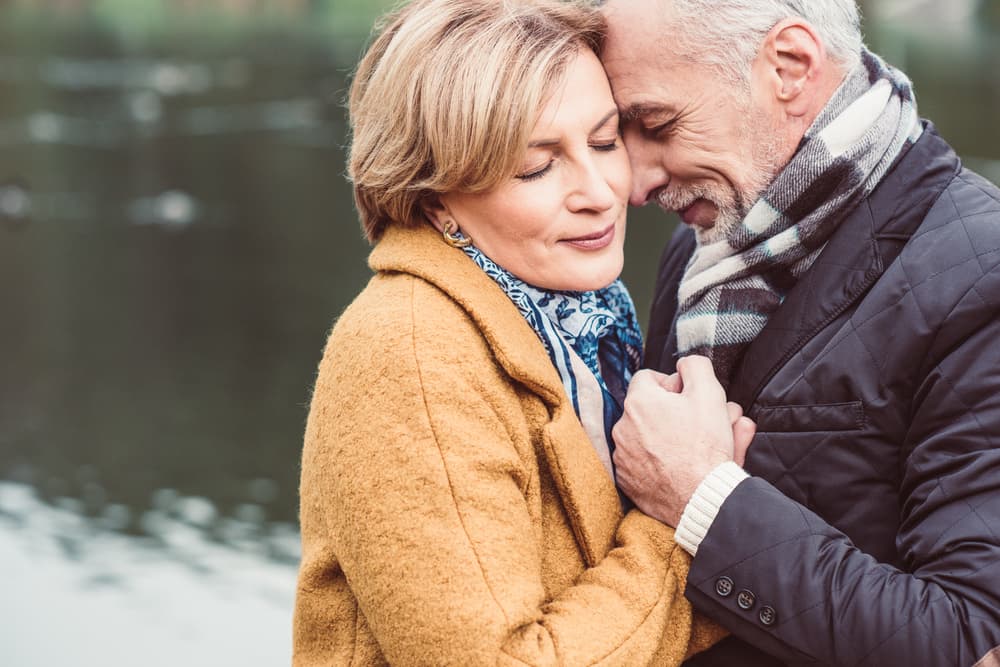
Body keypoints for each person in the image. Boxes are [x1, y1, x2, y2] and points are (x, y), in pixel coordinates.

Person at [292, 1, 750, 664]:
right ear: (436, 201)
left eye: (603, 141)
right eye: (538, 167)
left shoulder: (587, 322)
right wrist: (686, 517)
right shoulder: (411, 354)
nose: (600, 190)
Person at [600, 0, 1000, 665]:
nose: (636, 182)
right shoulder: (702, 247)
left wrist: (706, 498)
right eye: (620, 134)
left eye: (658, 125)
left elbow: (968, 637)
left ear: (789, 67)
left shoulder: (982, 275)